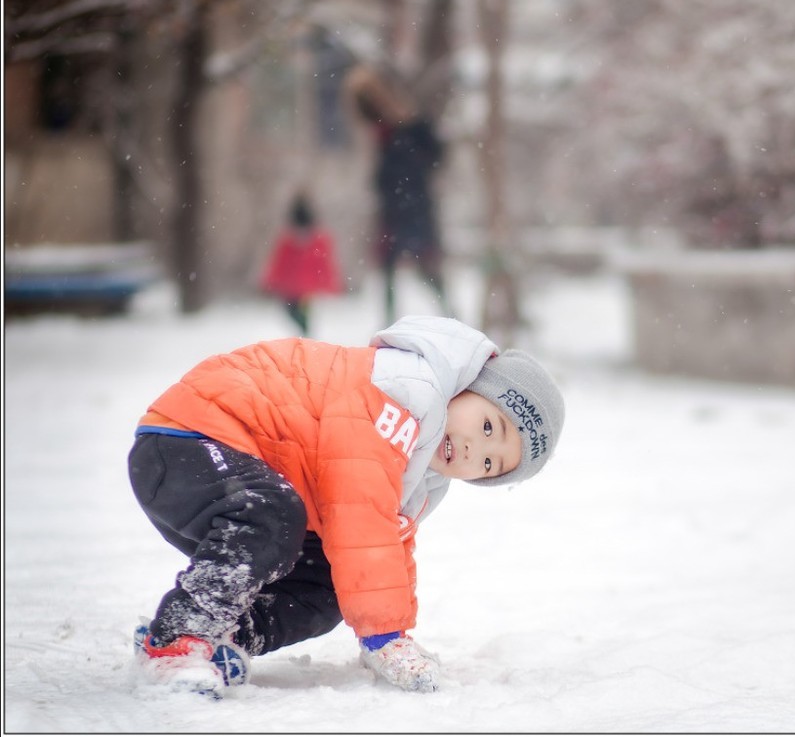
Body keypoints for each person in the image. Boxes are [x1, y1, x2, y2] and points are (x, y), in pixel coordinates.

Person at [127, 315, 565, 696]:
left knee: (328, 586)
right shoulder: (402, 394)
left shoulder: (421, 471)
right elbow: (360, 511)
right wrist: (385, 635)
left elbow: (385, 545)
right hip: (191, 437)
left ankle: (224, 636)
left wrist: (392, 627)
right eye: (488, 425)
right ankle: (178, 638)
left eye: (490, 464)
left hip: (240, 472)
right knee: (271, 516)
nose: (474, 450)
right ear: (468, 387)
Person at [346, 64, 454, 324]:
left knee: (423, 269)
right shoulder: (388, 130)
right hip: (397, 207)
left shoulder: (411, 128)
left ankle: (451, 319)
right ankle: (392, 323)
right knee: (394, 270)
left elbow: (435, 157)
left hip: (411, 206)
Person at [260, 193, 343, 336]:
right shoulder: (288, 243)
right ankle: (305, 337)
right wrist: (269, 283)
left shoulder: (317, 242)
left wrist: (332, 285)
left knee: (303, 318)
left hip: (304, 291)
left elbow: (324, 266)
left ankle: (305, 339)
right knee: (294, 315)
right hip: (290, 290)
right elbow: (279, 265)